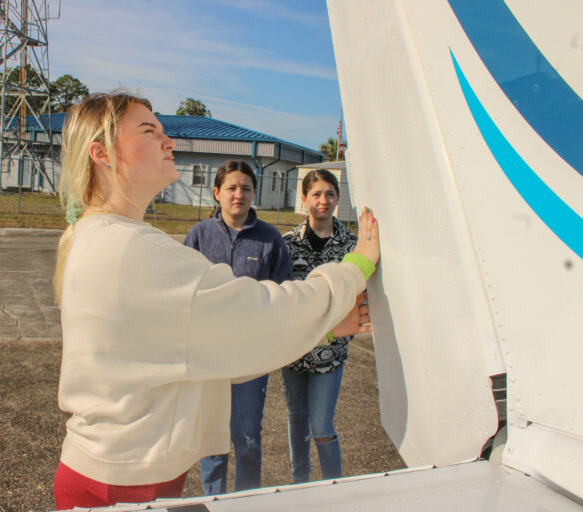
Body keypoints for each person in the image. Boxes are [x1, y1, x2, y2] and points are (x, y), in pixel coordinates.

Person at [52, 92, 379, 510]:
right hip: (124, 486)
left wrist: (326, 326)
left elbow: (221, 341)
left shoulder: (96, 235)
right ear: (101, 153)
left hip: (108, 474)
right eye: (150, 131)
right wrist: (354, 267)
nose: (168, 141)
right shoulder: (134, 249)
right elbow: (259, 317)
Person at [184, 160, 293, 495]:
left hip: (250, 359)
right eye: (231, 187)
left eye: (246, 188)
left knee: (247, 437)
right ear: (216, 192)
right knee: (212, 438)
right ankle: (214, 499)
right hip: (210, 357)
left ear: (253, 193)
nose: (239, 194)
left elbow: (285, 292)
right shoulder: (199, 236)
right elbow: (183, 292)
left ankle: (247, 501)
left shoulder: (270, 240)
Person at [281, 169, 357, 483]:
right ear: (304, 199)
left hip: (330, 355)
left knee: (322, 427)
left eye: (329, 194)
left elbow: (356, 300)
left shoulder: (350, 246)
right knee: (297, 422)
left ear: (338, 198)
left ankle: (333, 488)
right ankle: (300, 485)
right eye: (316, 194)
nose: (323, 201)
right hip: (294, 353)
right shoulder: (287, 244)